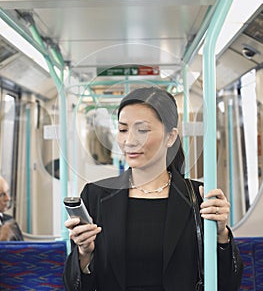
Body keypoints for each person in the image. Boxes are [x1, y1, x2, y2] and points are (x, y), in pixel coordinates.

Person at [63, 86, 243, 291]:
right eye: (123, 130)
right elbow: (75, 287)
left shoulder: (199, 198)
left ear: (170, 137)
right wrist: (84, 254)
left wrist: (221, 234)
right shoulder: (96, 195)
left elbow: (228, 283)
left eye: (142, 130)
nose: (129, 141)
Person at [0, 175, 24, 241]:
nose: (8, 198)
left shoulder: (10, 221)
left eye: (7, 192)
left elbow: (23, 249)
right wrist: (2, 241)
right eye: (2, 195)